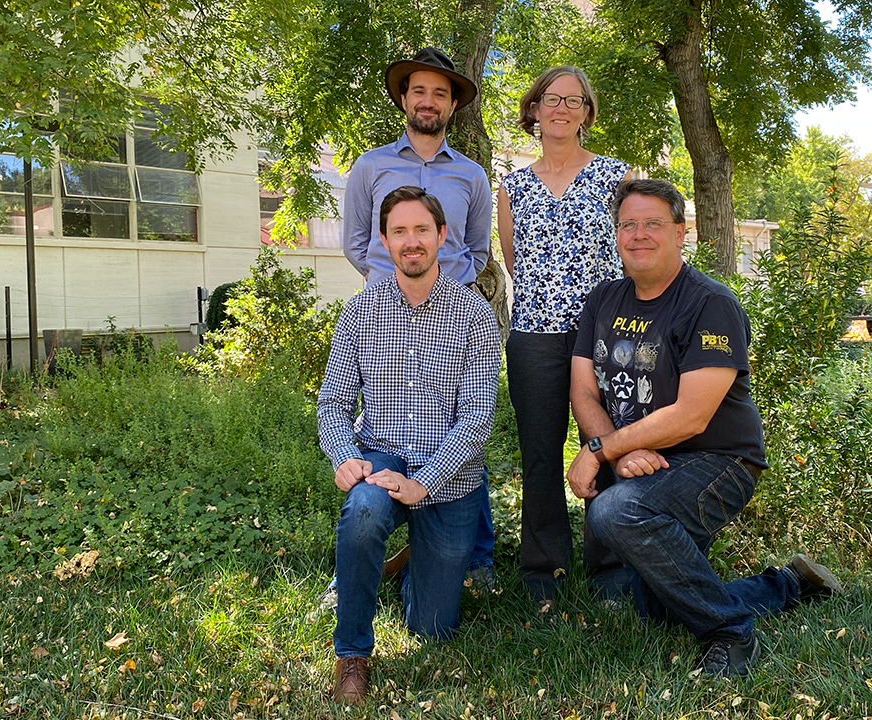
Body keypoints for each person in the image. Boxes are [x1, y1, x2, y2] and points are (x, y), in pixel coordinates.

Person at [566, 179, 843, 679]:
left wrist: (604, 448)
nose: (639, 234)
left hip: (717, 461)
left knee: (616, 510)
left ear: (680, 232)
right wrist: (615, 452)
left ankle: (730, 633)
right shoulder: (603, 299)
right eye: (628, 224)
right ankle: (788, 585)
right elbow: (584, 391)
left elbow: (692, 415)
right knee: (650, 604)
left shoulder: (709, 303)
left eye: (653, 223)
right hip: (644, 461)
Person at [319, 186, 500, 704]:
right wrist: (345, 457)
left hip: (450, 476)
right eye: (399, 231)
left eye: (422, 229)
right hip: (382, 459)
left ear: (442, 237)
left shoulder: (473, 314)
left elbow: (476, 420)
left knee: (433, 630)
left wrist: (423, 483)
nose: (411, 241)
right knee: (362, 514)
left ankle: (405, 565)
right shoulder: (360, 313)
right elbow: (332, 403)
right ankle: (352, 655)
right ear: (384, 240)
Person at [332, 46, 497, 597]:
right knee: (384, 434)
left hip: (450, 318)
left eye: (441, 93)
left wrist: (445, 285)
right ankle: (358, 566)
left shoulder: (472, 177)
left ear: (452, 106)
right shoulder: (371, 166)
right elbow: (358, 241)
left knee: (462, 421)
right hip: (386, 319)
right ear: (404, 98)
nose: (429, 101)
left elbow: (476, 249)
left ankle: (469, 555)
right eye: (419, 90)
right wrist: (388, 284)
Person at [496, 66, 629, 602]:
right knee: (542, 454)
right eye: (551, 99)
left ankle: (613, 568)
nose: (562, 108)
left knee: (612, 446)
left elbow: (629, 250)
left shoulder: (614, 177)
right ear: (533, 110)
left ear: (587, 114)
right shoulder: (513, 187)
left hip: (607, 333)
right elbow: (515, 260)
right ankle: (543, 571)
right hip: (535, 334)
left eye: (575, 101)